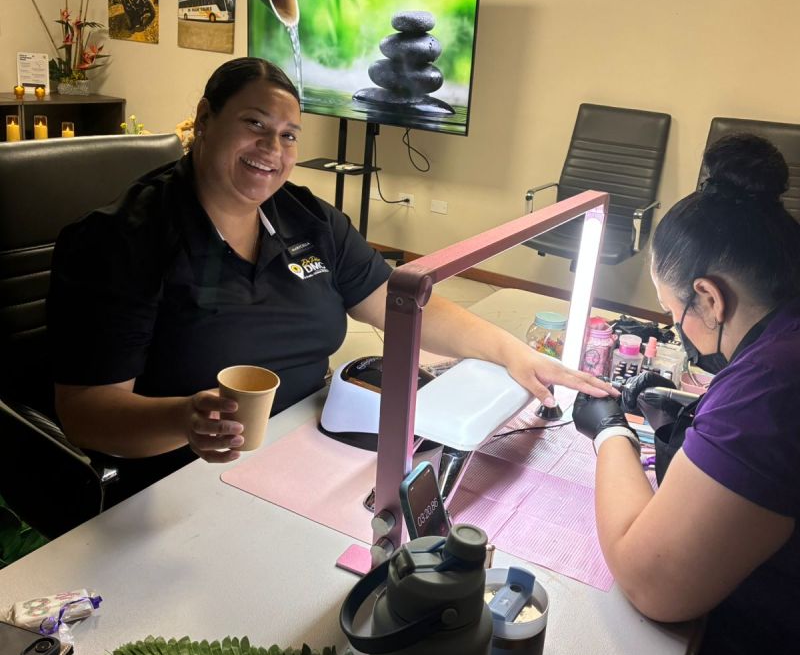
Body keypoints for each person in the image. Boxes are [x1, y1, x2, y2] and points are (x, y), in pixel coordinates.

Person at [47, 56, 613, 503]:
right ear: (204, 117)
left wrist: (514, 353)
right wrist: (184, 419)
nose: (272, 149)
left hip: (312, 443)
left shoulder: (307, 219)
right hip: (182, 477)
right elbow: (86, 412)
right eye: (254, 125)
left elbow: (399, 302)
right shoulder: (122, 241)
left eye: (289, 135)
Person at [572, 133, 800, 655]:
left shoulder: (771, 388)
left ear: (710, 297)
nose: (678, 328)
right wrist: (696, 414)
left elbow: (653, 583)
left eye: (674, 312)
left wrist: (610, 434)